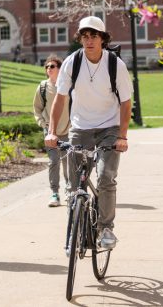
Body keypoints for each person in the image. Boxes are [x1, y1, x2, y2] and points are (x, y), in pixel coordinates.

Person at [45, 16, 133, 250]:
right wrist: (52, 132)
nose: (89, 40)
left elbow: (126, 103)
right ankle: (76, 228)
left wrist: (122, 136)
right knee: (75, 185)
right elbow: (60, 98)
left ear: (103, 39)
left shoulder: (116, 65)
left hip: (109, 128)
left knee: (105, 177)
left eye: (94, 36)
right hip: (80, 128)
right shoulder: (72, 63)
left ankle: (105, 228)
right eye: (85, 36)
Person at [34, 54, 70, 207]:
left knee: (68, 161)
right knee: (54, 161)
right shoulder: (42, 87)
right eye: (47, 66)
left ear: (60, 68)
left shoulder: (68, 85)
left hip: (68, 130)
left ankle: (70, 190)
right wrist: (43, 124)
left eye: (52, 66)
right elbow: (37, 108)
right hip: (50, 132)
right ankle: (55, 193)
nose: (49, 69)